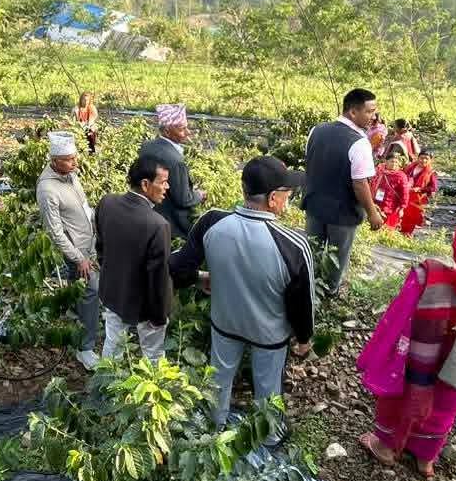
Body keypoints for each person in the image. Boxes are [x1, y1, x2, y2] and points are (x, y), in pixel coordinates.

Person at [358, 218, 456, 476]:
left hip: (417, 364)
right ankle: (425, 459)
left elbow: (399, 318)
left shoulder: (429, 278)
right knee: (444, 409)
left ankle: (385, 447)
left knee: (397, 403)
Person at [171, 156, 316, 430]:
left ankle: (214, 430)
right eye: (287, 194)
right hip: (269, 334)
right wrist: (304, 338)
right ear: (273, 198)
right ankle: (269, 437)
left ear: (244, 190)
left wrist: (200, 276)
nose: (289, 200)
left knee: (218, 381)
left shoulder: (212, 222)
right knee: (268, 388)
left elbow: (177, 267)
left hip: (224, 322)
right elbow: (301, 303)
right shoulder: (294, 245)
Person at [303, 88, 384, 294]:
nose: (374, 117)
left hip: (314, 205)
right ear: (353, 112)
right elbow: (360, 183)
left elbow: (311, 163)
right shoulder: (358, 142)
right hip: (342, 213)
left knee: (312, 252)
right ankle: (329, 293)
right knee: (336, 258)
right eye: (370, 112)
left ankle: (308, 289)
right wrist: (372, 213)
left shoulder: (317, 130)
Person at [94, 154, 173, 361]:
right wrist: (159, 316)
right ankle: (151, 391)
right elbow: (158, 278)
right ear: (146, 184)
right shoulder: (157, 224)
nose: (167, 187)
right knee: (153, 354)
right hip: (143, 304)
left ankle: (106, 389)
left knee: (113, 344)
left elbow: (101, 248)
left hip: (112, 292)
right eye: (163, 182)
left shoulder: (107, 203)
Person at [37, 131, 100, 370]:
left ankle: (79, 325)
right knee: (90, 291)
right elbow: (55, 232)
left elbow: (83, 207)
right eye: (69, 159)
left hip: (89, 245)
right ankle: (85, 348)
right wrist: (78, 257)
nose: (75, 163)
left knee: (83, 294)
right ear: (54, 161)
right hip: (77, 251)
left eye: (75, 157)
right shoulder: (47, 189)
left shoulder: (70, 176)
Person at [138, 104, 205, 238]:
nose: (188, 132)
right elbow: (183, 199)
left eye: (187, 127)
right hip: (173, 227)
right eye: (182, 129)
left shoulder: (146, 146)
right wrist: (200, 194)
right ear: (167, 131)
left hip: (147, 216)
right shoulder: (175, 160)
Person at [400, 152, 440, 235]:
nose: (423, 160)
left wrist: (420, 189)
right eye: (421, 158)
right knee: (401, 215)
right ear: (418, 158)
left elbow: (433, 188)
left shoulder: (431, 173)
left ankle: (407, 234)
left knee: (412, 218)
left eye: (426, 159)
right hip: (405, 195)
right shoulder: (410, 167)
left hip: (417, 199)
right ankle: (399, 232)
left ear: (430, 160)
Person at [373, 149, 413, 231]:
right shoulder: (380, 171)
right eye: (392, 161)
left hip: (391, 206)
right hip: (377, 201)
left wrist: (402, 207)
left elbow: (404, 193)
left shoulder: (401, 176)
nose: (394, 164)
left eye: (396, 162)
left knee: (387, 227)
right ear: (386, 162)